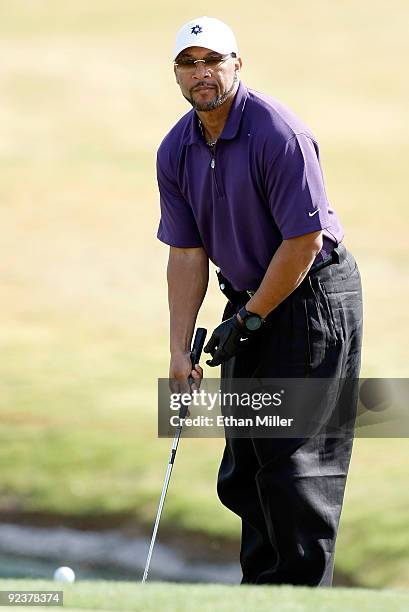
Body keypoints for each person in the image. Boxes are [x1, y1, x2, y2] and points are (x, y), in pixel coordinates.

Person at [156, 16, 363, 586]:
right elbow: (186, 254)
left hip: (313, 300)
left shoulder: (276, 132)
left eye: (213, 61)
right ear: (176, 74)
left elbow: (305, 240)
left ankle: (296, 596)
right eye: (189, 63)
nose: (202, 73)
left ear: (236, 64)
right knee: (245, 465)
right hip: (251, 303)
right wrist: (179, 348)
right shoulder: (176, 149)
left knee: (294, 467)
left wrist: (250, 317)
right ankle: (259, 594)